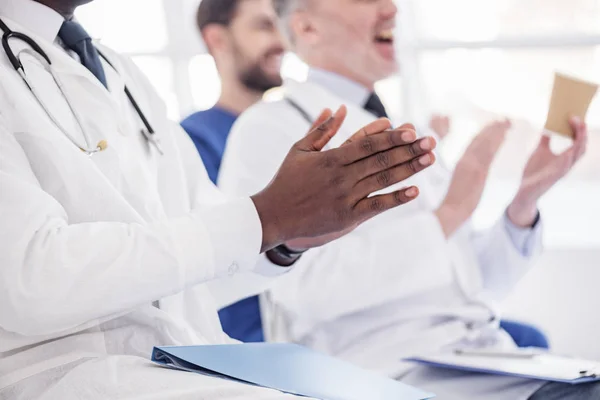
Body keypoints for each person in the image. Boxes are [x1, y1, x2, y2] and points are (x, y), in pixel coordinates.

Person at [0, 0, 439, 398]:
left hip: (185, 361)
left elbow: (202, 260)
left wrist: (287, 237)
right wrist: (266, 217)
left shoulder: (119, 72)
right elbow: (29, 281)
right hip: (61, 376)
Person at [217, 0, 594, 399]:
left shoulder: (399, 126)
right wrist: (449, 214)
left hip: (479, 360)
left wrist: (524, 202)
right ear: (308, 28)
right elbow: (302, 293)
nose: (391, 7)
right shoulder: (267, 128)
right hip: (382, 373)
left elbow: (477, 286)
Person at [181, 0, 287, 343]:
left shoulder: (293, 132)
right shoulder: (192, 142)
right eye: (263, 26)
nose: (282, 42)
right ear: (218, 40)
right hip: (249, 347)